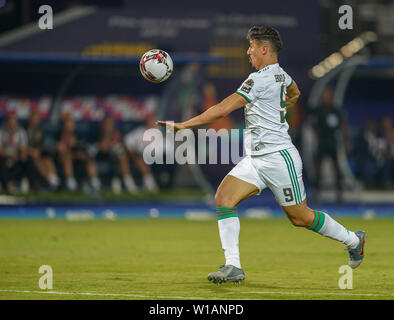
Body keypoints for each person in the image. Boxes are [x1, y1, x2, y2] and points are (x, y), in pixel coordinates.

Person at [156, 26, 366, 284]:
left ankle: (354, 240)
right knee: (223, 198)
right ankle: (233, 266)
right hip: (256, 160)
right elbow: (295, 92)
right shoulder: (282, 75)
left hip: (279, 158)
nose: (248, 52)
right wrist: (281, 107)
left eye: (252, 47)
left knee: (299, 217)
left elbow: (222, 110)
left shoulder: (258, 79)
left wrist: (183, 125)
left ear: (264, 49)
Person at [314, 88, 349, 203]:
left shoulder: (336, 110)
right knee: (318, 168)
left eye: (329, 96)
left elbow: (343, 125)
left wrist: (346, 141)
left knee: (336, 168)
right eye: (325, 96)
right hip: (322, 142)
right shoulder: (319, 110)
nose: (327, 98)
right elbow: (314, 126)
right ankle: (317, 193)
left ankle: (339, 194)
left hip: (332, 142)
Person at [56, 115, 101, 192]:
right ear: (65, 125)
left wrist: (79, 150)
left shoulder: (78, 135)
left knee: (88, 158)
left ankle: (95, 182)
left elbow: (83, 148)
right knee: (67, 158)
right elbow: (59, 149)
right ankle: (71, 184)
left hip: (77, 158)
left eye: (72, 124)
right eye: (69, 124)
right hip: (64, 159)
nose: (71, 126)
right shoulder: (59, 135)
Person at [95, 115, 139, 194]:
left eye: (111, 123)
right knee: (122, 157)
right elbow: (102, 148)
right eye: (108, 123)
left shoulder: (116, 132)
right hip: (105, 156)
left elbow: (122, 144)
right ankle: (129, 184)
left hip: (119, 154)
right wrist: (108, 138)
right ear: (104, 124)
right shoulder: (101, 133)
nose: (110, 125)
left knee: (127, 155)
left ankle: (148, 183)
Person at [124, 114, 159, 193]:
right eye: (150, 121)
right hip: (136, 155)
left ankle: (149, 184)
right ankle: (149, 185)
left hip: (153, 156)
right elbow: (127, 142)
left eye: (153, 121)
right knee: (138, 160)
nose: (152, 123)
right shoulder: (139, 132)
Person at [26, 110, 60, 190]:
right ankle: (52, 180)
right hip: (27, 154)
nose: (36, 121)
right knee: (37, 159)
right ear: (30, 119)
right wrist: (31, 151)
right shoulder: (24, 129)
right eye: (34, 119)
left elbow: (40, 144)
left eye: (37, 119)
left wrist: (38, 150)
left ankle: (54, 178)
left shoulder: (39, 130)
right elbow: (21, 145)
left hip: (38, 153)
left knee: (47, 159)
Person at [0, 112, 29, 193]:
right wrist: (10, 156)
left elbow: (24, 148)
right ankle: (6, 185)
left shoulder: (21, 132)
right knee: (2, 163)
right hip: (4, 156)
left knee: (26, 161)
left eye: (14, 122)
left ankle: (12, 183)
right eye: (10, 123)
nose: (12, 125)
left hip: (17, 157)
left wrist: (20, 155)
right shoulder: (1, 132)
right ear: (7, 123)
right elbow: (0, 150)